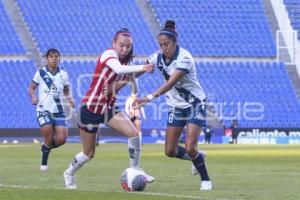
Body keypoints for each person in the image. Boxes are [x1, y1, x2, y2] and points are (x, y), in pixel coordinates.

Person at [63, 28, 154, 189]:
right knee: (88, 153)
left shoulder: (128, 62)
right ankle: (69, 173)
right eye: (121, 45)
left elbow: (133, 84)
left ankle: (135, 170)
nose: (124, 49)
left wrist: (132, 88)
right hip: (90, 109)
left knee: (134, 134)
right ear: (114, 43)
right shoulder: (108, 55)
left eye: (128, 46)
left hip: (109, 108)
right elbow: (119, 70)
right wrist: (143, 68)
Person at [133, 20, 212, 190]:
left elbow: (170, 83)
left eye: (166, 44)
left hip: (194, 103)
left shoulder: (185, 58)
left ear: (175, 42)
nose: (163, 48)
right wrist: (124, 78)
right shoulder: (156, 57)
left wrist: (147, 98)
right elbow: (140, 71)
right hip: (175, 106)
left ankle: (205, 179)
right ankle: (197, 157)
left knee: (191, 147)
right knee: (170, 151)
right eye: (161, 44)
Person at [28, 48, 75, 171]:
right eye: (52, 56)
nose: (54, 59)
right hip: (43, 109)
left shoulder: (63, 74)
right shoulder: (41, 73)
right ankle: (44, 162)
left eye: (56, 56)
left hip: (58, 110)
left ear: (59, 59)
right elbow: (31, 88)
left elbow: (65, 89)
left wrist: (69, 98)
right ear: (47, 59)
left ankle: (45, 147)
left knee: (62, 139)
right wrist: (34, 97)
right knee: (48, 133)